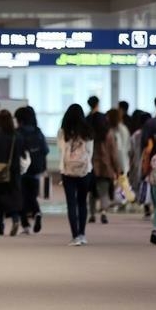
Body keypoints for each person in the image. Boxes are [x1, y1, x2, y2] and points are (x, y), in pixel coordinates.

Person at [58, 104, 93, 246]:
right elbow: (90, 151)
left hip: (67, 171)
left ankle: (75, 235)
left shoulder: (63, 132)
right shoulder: (88, 131)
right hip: (84, 170)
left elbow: (61, 150)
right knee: (82, 202)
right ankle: (83, 234)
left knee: (71, 203)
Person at [15, 106, 48, 234]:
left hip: (21, 170)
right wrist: (43, 167)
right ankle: (37, 213)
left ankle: (25, 225)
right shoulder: (38, 132)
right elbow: (45, 151)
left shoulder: (18, 133)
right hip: (36, 169)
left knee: (21, 197)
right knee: (32, 196)